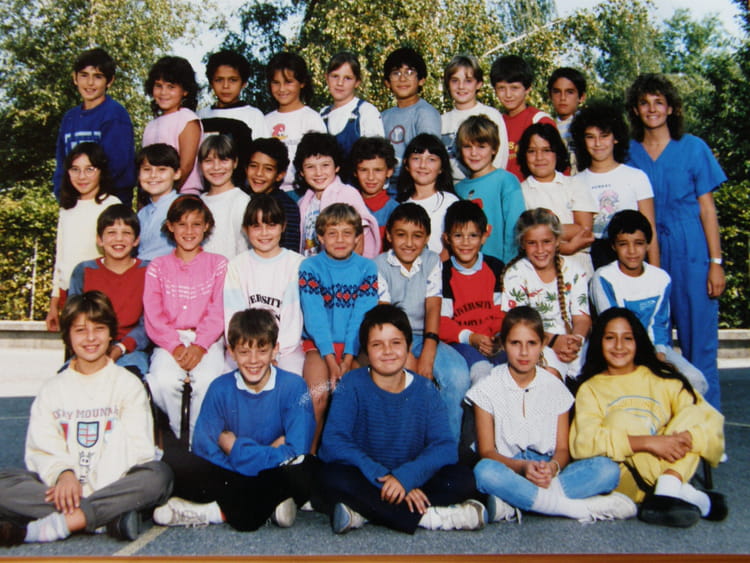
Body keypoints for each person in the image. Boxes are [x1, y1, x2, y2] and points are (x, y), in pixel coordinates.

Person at [0, 291, 172, 546]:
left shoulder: (128, 384)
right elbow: (41, 447)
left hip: (113, 482)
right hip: (64, 489)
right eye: (80, 330)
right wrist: (64, 474)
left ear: (111, 333)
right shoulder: (52, 389)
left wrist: (92, 489)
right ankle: (105, 516)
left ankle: (61, 523)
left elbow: (137, 449)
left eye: (99, 329)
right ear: (68, 336)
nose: (91, 338)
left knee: (159, 476)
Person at [314, 304, 486, 534]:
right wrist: (386, 478)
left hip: (412, 474)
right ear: (365, 350)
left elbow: (444, 447)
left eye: (396, 343)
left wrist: (405, 479)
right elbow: (334, 443)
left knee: (463, 478)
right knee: (329, 477)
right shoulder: (351, 384)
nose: (387, 351)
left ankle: (365, 512)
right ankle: (427, 517)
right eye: (377, 345)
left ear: (409, 346)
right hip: (369, 475)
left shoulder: (425, 389)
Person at [468, 306, 635, 523]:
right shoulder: (487, 386)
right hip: (510, 468)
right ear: (503, 344)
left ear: (542, 344)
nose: (524, 352)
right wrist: (522, 467)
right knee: (484, 472)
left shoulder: (555, 387)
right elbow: (487, 452)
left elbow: (562, 449)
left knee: (608, 470)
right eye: (515, 343)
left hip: (548, 471)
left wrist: (552, 467)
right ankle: (573, 508)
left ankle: (517, 502)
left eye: (532, 343)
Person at [153, 308, 315, 531]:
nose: (253, 361)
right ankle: (264, 506)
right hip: (234, 473)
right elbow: (203, 447)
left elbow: (296, 451)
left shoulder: (294, 387)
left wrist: (235, 447)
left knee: (307, 467)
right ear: (231, 352)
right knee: (175, 460)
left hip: (268, 474)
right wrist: (268, 453)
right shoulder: (220, 387)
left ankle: (215, 512)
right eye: (244, 352)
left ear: (275, 350)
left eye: (262, 351)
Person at [570, 308, 726, 528]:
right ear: (598, 342)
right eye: (610, 338)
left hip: (669, 467)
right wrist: (649, 442)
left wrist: (687, 437)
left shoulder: (663, 379)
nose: (619, 346)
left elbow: (712, 423)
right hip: (625, 479)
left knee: (696, 412)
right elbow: (582, 444)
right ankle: (682, 493)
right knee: (619, 420)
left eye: (627, 338)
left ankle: (668, 488)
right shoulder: (590, 388)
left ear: (638, 341)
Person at [625, 73, 726, 411]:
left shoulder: (694, 148)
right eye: (644, 103)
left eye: (659, 102)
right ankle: (663, 424)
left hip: (691, 251)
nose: (652, 109)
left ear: (671, 108)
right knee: (653, 344)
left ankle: (707, 427)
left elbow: (708, 210)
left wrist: (715, 263)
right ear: (635, 110)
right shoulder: (628, 152)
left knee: (700, 345)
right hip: (646, 251)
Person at [375, 203, 471, 442]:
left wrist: (429, 349)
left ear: (427, 238)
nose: (409, 243)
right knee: (408, 381)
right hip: (392, 339)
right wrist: (406, 354)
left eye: (417, 236)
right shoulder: (378, 265)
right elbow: (386, 316)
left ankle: (446, 445)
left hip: (426, 335)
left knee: (457, 376)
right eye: (401, 235)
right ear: (389, 236)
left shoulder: (431, 261)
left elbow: (433, 306)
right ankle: (408, 444)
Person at [589, 210, 707, 394]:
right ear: (613, 246)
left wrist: (659, 355)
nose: (632, 251)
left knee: (695, 380)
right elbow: (612, 328)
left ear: (648, 244)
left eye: (639, 243)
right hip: (616, 350)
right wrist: (649, 363)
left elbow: (659, 324)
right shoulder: (604, 277)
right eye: (623, 244)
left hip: (654, 349)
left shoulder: (661, 278)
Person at [143, 196, 227, 445]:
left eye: (196, 224)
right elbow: (153, 314)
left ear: (206, 226)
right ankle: (183, 438)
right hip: (169, 340)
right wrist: (175, 345)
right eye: (182, 224)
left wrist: (200, 345)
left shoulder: (218, 264)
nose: (189, 231)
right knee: (162, 382)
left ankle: (199, 443)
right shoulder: (157, 266)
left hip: (208, 340)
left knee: (209, 381)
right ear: (170, 226)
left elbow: (218, 310)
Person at [298, 204, 379, 451]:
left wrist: (348, 358)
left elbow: (361, 317)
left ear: (357, 237)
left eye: (347, 233)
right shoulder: (310, 267)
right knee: (317, 395)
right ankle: (309, 456)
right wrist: (333, 362)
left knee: (364, 395)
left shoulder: (367, 268)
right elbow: (315, 318)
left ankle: (359, 456)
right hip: (319, 346)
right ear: (320, 237)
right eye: (332, 233)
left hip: (355, 345)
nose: (340, 240)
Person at [501, 208, 590, 381]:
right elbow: (519, 327)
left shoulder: (574, 270)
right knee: (549, 374)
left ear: (557, 241)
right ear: (522, 244)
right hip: (536, 343)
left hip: (572, 341)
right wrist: (555, 341)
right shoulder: (516, 274)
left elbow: (582, 318)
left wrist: (576, 340)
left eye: (546, 241)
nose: (540, 249)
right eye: (532, 243)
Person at [570, 102, 658, 268]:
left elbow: (650, 229)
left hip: (632, 257)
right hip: (592, 260)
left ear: (616, 138)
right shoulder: (575, 182)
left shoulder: (636, 177)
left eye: (604, 136)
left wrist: (655, 272)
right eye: (590, 137)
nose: (597, 143)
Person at [224, 194, 305, 375]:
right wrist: (251, 352)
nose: (264, 233)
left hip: (285, 349)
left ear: (283, 226)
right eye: (256, 226)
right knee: (228, 377)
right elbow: (232, 316)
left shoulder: (297, 264)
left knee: (292, 378)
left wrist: (274, 353)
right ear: (245, 229)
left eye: (271, 225)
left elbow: (292, 319)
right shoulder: (236, 266)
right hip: (245, 347)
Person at [45, 142, 121, 332]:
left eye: (89, 169)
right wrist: (54, 302)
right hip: (68, 294)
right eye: (75, 169)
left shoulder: (111, 205)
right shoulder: (66, 209)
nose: (82, 176)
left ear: (101, 171)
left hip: (99, 294)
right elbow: (60, 258)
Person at [68, 204, 150, 377]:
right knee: (69, 381)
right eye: (111, 232)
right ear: (100, 239)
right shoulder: (83, 271)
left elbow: (149, 323)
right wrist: (94, 346)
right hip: (90, 346)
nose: (119, 239)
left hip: (131, 350)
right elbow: (73, 319)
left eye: (126, 233)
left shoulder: (149, 271)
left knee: (129, 380)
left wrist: (121, 348)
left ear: (136, 240)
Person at [52, 48, 135, 207]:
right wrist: (63, 196)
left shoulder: (114, 114)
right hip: (76, 202)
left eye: (98, 76)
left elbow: (116, 166)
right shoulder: (70, 118)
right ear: (75, 78)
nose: (90, 83)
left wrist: (89, 197)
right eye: (84, 75)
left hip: (109, 203)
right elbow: (61, 164)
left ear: (109, 81)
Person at [517, 123, 597, 276]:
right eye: (532, 151)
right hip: (539, 269)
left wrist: (543, 233)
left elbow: (584, 231)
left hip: (579, 266)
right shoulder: (520, 192)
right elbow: (526, 236)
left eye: (546, 150)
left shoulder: (575, 184)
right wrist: (566, 247)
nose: (539, 157)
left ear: (557, 152)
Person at [439, 200, 505, 384]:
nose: (466, 242)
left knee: (509, 369)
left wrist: (497, 338)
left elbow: (501, 313)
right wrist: (471, 337)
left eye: (473, 235)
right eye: (458, 235)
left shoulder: (495, 267)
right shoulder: (443, 273)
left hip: (492, 341)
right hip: (460, 343)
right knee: (482, 373)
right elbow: (441, 322)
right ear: (447, 238)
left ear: (484, 236)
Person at [295, 132, 380, 258]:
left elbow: (359, 238)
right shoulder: (303, 202)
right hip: (311, 266)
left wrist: (351, 268)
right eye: (310, 167)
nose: (318, 173)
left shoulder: (347, 194)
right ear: (302, 172)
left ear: (337, 167)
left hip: (340, 267)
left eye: (325, 165)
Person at [455, 115, 525, 262]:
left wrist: (509, 267)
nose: (474, 153)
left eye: (481, 146)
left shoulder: (506, 181)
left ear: (494, 148)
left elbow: (515, 229)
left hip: (501, 266)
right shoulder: (458, 189)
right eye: (467, 146)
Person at [199, 49, 270, 187]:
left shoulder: (253, 115)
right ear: (211, 82)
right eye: (219, 80)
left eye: (233, 80)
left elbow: (262, 158)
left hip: (241, 190)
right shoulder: (201, 116)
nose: (225, 86)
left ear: (244, 83)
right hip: (204, 190)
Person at [264, 52, 327, 193]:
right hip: (271, 192)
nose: (282, 89)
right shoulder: (265, 120)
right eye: (276, 83)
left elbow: (322, 162)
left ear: (302, 83)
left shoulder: (311, 118)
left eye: (288, 82)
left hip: (304, 192)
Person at [440, 54, 509, 182]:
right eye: (455, 80)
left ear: (478, 84)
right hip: (449, 188)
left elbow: (500, 159)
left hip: (485, 185)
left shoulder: (491, 115)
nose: (461, 86)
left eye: (468, 81)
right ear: (448, 84)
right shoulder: (441, 121)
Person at [381, 47, 441, 191]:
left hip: (413, 186)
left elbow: (428, 156)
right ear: (387, 83)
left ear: (421, 80)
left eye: (409, 72)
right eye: (396, 73)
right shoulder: (383, 116)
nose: (402, 79)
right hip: (386, 185)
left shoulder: (425, 113)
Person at [489, 55, 555, 181]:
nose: (508, 95)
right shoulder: (495, 122)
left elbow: (559, 165)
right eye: (501, 88)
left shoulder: (539, 121)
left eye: (514, 88)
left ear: (527, 88)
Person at [142, 56, 203, 194]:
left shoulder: (187, 120)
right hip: (154, 195)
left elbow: (186, 166)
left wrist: (167, 197)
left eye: (171, 87)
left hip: (183, 195)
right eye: (158, 86)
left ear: (185, 90)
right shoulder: (151, 125)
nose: (163, 92)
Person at [320, 51, 384, 181]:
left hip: (358, 189)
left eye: (347, 78)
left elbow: (378, 160)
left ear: (357, 82)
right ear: (326, 78)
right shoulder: (322, 115)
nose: (340, 83)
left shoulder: (366, 112)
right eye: (335, 76)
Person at [395, 133, 458, 258]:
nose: (423, 165)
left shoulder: (450, 202)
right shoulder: (400, 204)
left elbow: (455, 244)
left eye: (431, 160)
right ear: (406, 164)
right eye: (416, 158)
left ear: (441, 167)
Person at [198, 135, 250, 259]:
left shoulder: (242, 201)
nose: (216, 167)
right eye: (208, 161)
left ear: (235, 163)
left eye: (223, 160)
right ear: (200, 165)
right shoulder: (198, 202)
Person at [245, 137, 301, 252]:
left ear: (280, 175)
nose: (259, 173)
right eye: (253, 166)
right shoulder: (243, 199)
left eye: (268, 169)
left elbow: (290, 250)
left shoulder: (286, 206)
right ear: (246, 168)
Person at [350, 136, 399, 246]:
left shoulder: (395, 210)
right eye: (364, 170)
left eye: (377, 170)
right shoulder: (348, 204)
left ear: (389, 171)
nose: (370, 177)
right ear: (355, 172)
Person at [135, 144, 182, 260]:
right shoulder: (142, 214)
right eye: (147, 169)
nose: (153, 175)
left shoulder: (183, 206)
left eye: (161, 169)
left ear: (176, 173)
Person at [547, 67, 587, 174]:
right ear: (550, 95)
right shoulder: (548, 126)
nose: (563, 98)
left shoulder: (587, 125)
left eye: (570, 92)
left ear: (581, 97)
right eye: (557, 92)